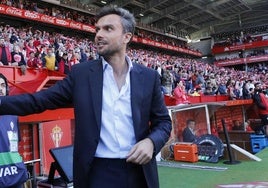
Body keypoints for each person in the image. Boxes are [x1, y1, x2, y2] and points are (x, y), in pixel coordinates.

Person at [0, 6, 172, 188]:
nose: (98, 34)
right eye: (97, 29)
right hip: (97, 173)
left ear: (126, 37)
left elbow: (163, 122)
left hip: (140, 172)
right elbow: (39, 101)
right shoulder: (81, 74)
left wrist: (152, 143)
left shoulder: (148, 77)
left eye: (108, 29)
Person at [0, 73, 27, 188]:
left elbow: (14, 147)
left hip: (16, 178)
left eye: (2, 85)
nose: (0, 89)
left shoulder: (13, 114)